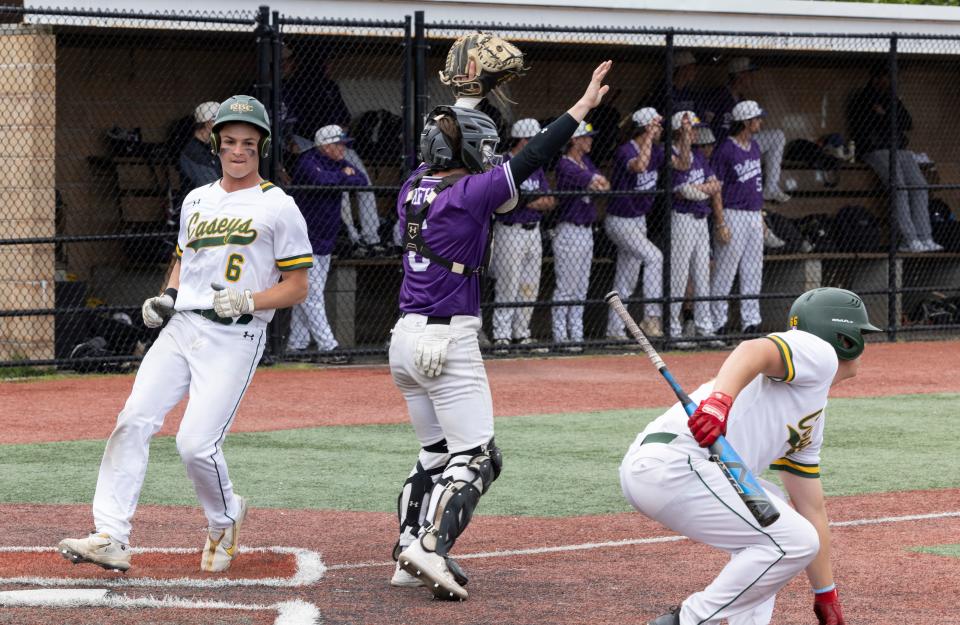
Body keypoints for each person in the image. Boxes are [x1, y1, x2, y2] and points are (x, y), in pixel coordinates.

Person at [58, 95, 312, 573]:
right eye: (230, 141)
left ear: (262, 148)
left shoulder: (279, 206)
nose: (239, 151)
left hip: (236, 335)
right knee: (133, 418)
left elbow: (298, 286)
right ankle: (111, 533)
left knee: (195, 444)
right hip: (183, 326)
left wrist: (250, 300)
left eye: (249, 144)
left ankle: (225, 517)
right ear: (216, 144)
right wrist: (167, 298)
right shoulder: (197, 199)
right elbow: (183, 261)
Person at [389, 61, 614, 601]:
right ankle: (428, 547)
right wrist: (581, 108)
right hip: (447, 341)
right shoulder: (469, 194)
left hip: (404, 341)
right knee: (479, 458)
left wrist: (469, 98)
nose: (489, 156)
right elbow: (534, 155)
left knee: (435, 454)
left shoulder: (412, 187)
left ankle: (406, 549)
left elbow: (450, 143)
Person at [622, 286, 880, 625]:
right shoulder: (819, 353)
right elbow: (753, 350)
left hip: (674, 470)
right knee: (796, 540)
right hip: (675, 465)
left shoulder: (812, 411)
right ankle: (688, 620)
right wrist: (718, 403)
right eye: (862, 333)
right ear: (845, 337)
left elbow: (810, 506)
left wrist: (826, 594)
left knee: (777, 521)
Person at [280, 44, 385, 257]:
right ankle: (352, 238)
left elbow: (344, 120)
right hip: (309, 143)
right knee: (340, 190)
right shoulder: (291, 86)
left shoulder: (329, 86)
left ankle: (372, 238)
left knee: (365, 183)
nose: (329, 66)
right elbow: (287, 127)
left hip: (336, 141)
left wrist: (339, 141)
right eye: (325, 62)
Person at [287, 124, 370, 365]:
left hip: (325, 239)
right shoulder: (307, 160)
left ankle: (297, 344)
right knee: (311, 294)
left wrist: (342, 175)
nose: (344, 149)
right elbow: (321, 180)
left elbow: (362, 181)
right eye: (340, 144)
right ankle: (328, 346)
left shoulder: (335, 161)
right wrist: (344, 176)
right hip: (304, 239)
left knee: (309, 293)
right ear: (326, 145)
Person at [847, 66, 942, 253]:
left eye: (891, 79)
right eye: (885, 78)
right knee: (899, 187)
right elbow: (866, 126)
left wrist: (885, 115)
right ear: (875, 79)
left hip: (899, 148)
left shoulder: (891, 99)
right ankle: (909, 239)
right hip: (876, 148)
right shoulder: (863, 99)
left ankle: (925, 237)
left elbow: (907, 122)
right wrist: (887, 119)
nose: (889, 83)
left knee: (919, 185)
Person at [490, 118, 555, 354]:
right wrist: (529, 202)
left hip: (533, 231)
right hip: (510, 231)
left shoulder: (535, 165)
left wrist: (529, 202)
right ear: (524, 140)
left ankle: (521, 333)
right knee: (508, 283)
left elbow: (549, 200)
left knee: (530, 285)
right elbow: (508, 203)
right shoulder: (505, 163)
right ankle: (502, 335)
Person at [605, 107, 664, 341]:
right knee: (654, 257)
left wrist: (686, 136)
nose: (660, 130)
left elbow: (680, 164)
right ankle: (651, 318)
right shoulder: (625, 150)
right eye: (655, 126)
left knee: (625, 280)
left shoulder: (656, 151)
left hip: (639, 220)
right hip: (620, 221)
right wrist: (648, 135)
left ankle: (614, 330)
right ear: (645, 128)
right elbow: (639, 165)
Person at [667, 111, 725, 349]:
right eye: (691, 129)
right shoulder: (669, 153)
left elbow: (715, 185)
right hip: (681, 219)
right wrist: (703, 189)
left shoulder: (699, 156)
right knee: (679, 276)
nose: (696, 133)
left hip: (701, 220)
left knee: (702, 274)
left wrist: (697, 189)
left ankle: (704, 327)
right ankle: (674, 329)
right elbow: (682, 191)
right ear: (680, 131)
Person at [710, 100, 767, 338]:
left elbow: (756, 186)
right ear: (745, 122)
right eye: (756, 118)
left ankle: (751, 321)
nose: (760, 122)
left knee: (753, 269)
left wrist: (761, 217)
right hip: (732, 214)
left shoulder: (754, 147)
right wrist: (721, 221)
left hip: (753, 214)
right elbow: (716, 190)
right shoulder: (726, 149)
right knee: (726, 269)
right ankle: (717, 321)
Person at [552, 121, 610, 352]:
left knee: (581, 287)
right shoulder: (566, 165)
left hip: (586, 230)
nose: (590, 141)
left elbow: (605, 184)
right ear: (574, 140)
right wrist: (595, 182)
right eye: (586, 137)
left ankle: (575, 335)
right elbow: (596, 183)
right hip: (568, 229)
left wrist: (597, 182)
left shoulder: (585, 162)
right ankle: (560, 336)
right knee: (566, 286)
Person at [703, 57, 791, 204]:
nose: (752, 78)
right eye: (748, 74)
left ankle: (770, 187)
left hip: (743, 142)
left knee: (777, 136)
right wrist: (710, 148)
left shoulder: (742, 98)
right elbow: (706, 123)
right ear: (739, 75)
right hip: (722, 145)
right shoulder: (718, 95)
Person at [178, 101, 222, 194]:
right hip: (201, 205)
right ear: (208, 123)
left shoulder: (211, 147)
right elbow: (212, 187)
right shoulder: (193, 152)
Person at [641, 50, 701, 115]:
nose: (695, 72)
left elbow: (700, 114)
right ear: (681, 69)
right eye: (692, 69)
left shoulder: (689, 93)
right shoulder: (662, 91)